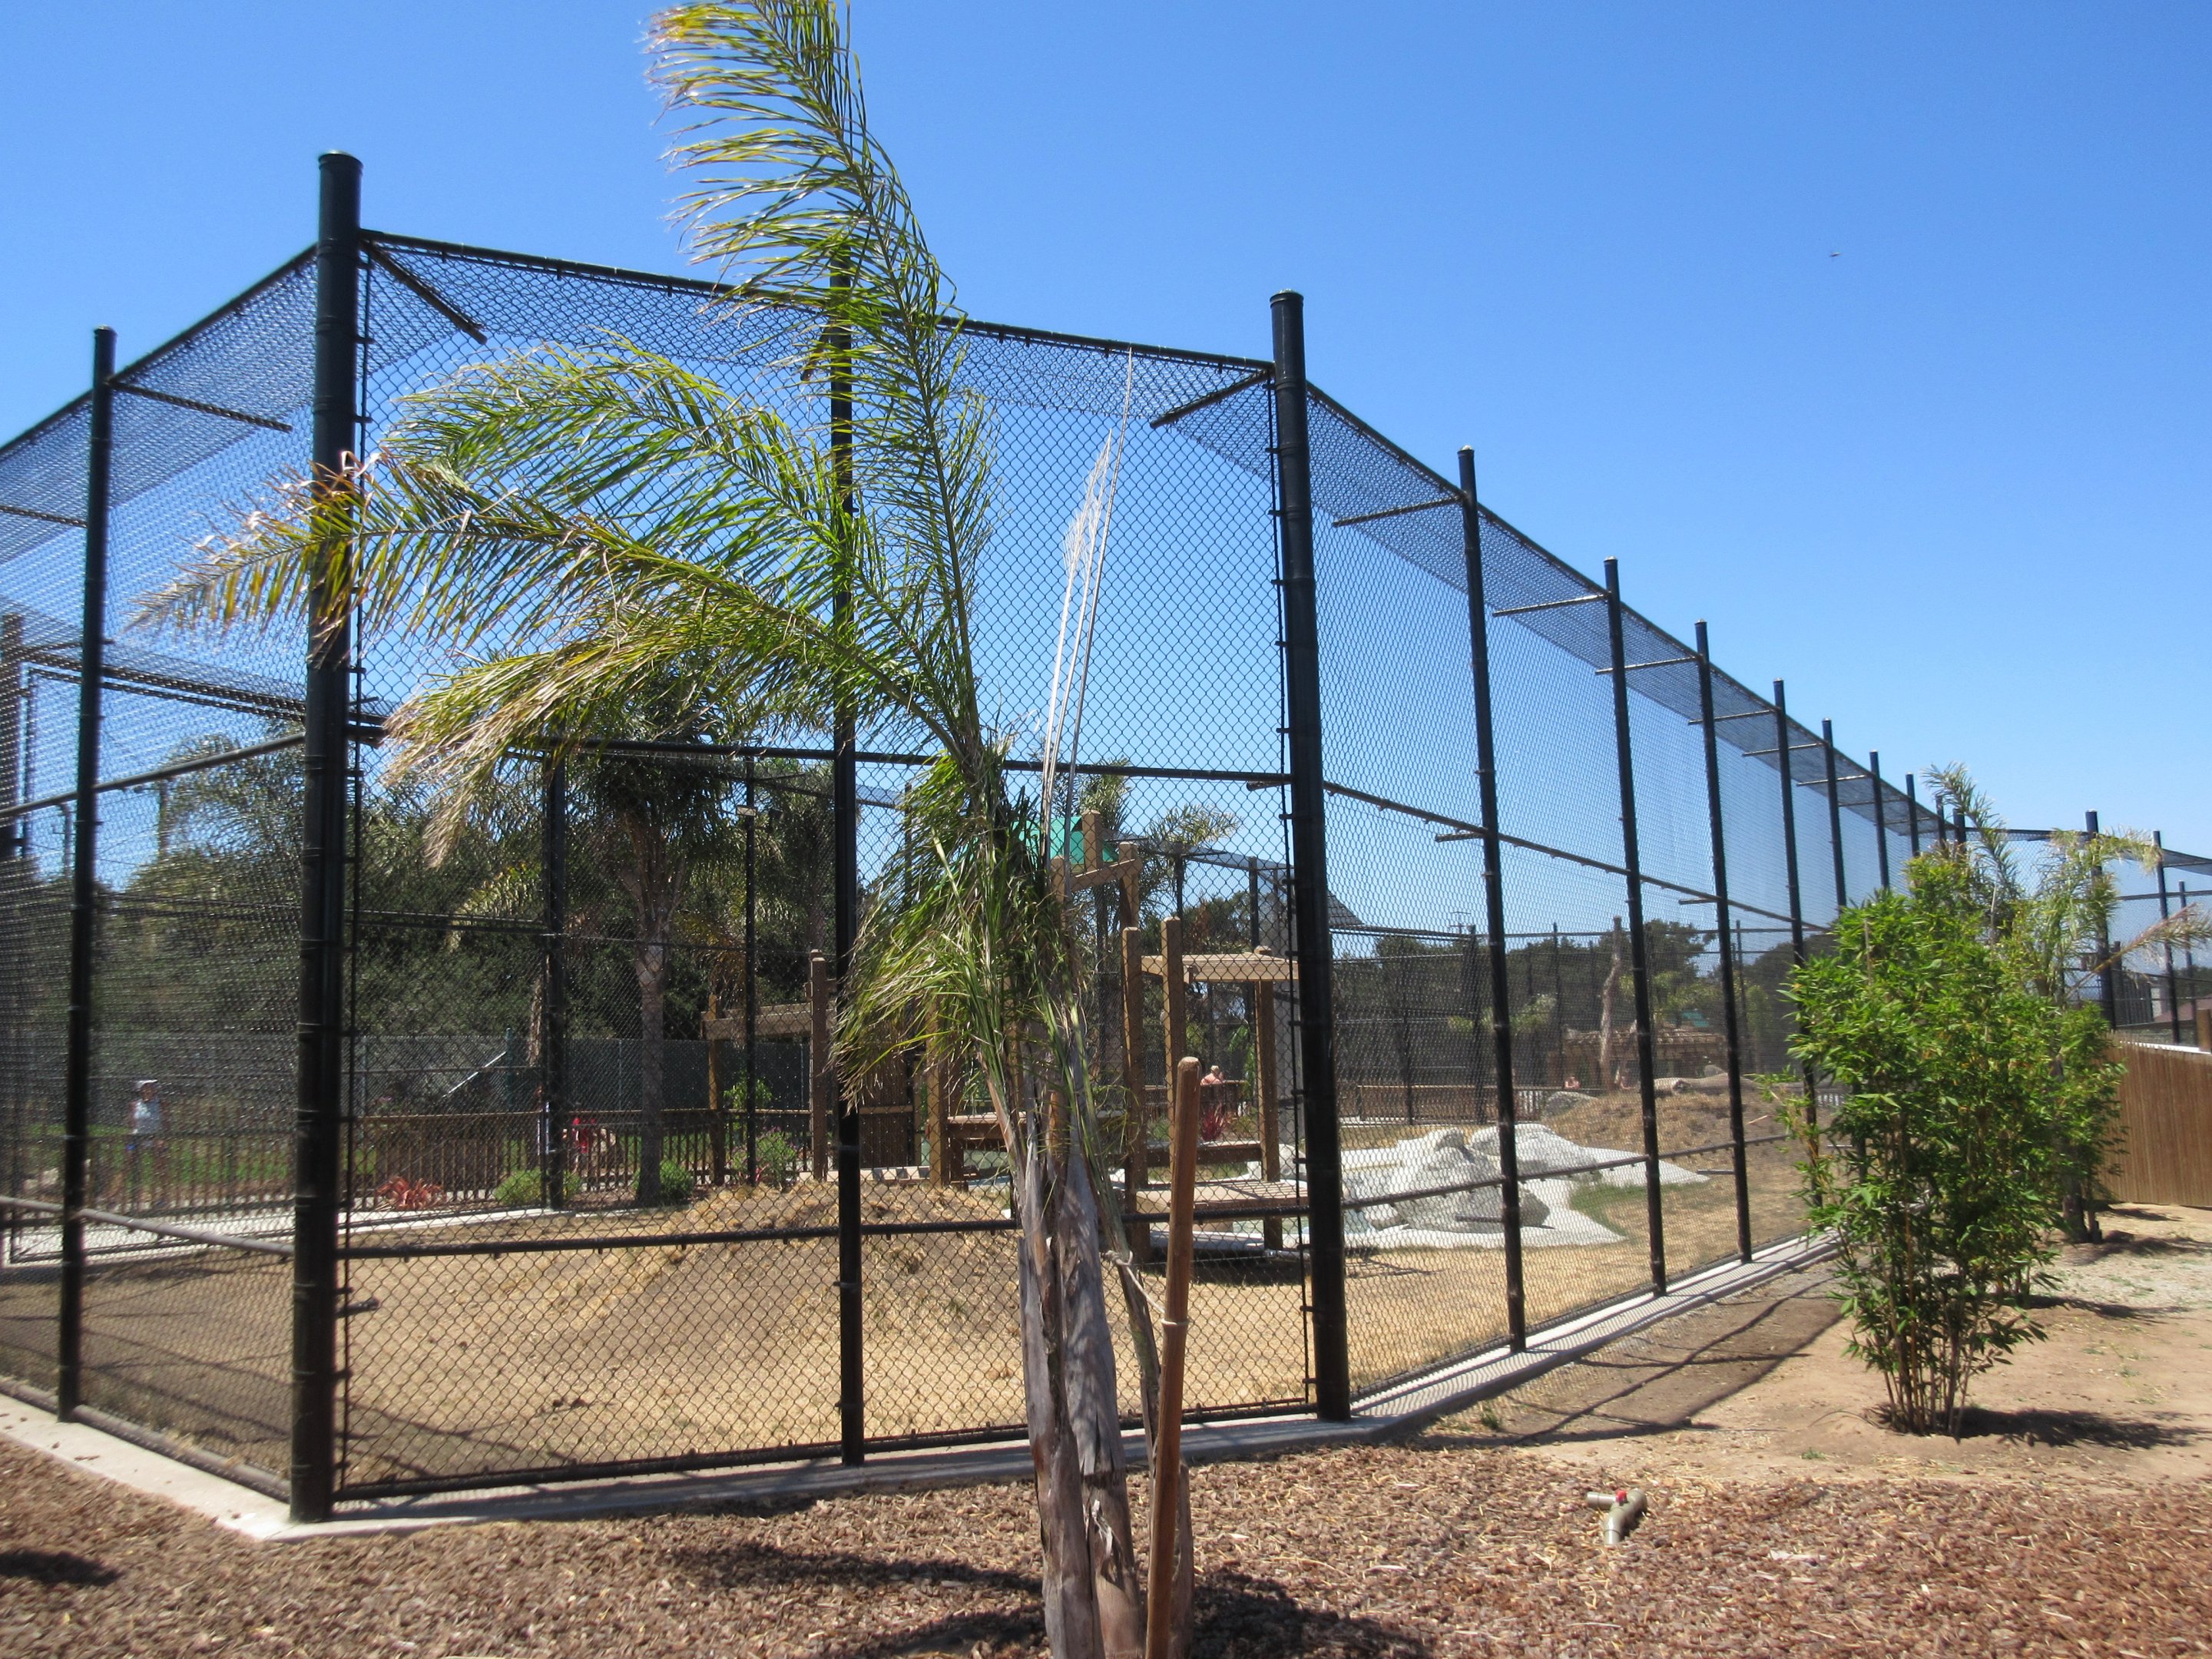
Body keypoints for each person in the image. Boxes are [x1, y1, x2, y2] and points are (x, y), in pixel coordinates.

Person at [127, 1078, 168, 1204]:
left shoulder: (161, 1104)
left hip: (155, 1138)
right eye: (146, 1087)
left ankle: (162, 1196)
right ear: (141, 1090)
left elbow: (166, 1122)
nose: (149, 1090)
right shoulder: (135, 1104)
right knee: (128, 1164)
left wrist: (164, 1138)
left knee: (159, 1167)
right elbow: (131, 1122)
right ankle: (117, 1196)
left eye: (152, 1087)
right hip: (137, 1137)